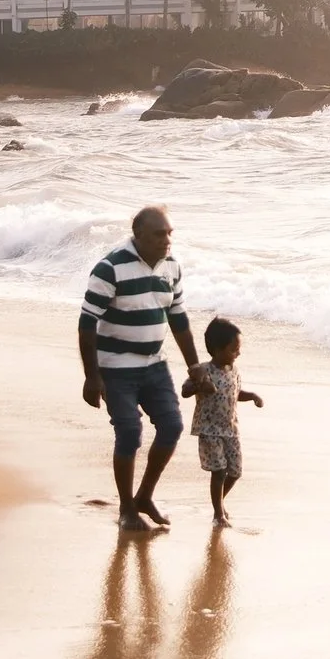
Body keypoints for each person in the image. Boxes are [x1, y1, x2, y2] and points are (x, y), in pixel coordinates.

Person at [79, 206, 201, 532]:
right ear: (139, 235)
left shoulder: (172, 267)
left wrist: (195, 367)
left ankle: (144, 496)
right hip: (115, 368)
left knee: (172, 427)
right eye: (160, 234)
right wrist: (92, 376)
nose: (168, 240)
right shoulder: (110, 269)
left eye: (170, 233)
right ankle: (126, 509)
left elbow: (178, 319)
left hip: (155, 366)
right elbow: (87, 323)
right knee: (130, 433)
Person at [182, 317, 264, 525]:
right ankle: (218, 513)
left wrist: (252, 395)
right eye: (233, 349)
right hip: (210, 429)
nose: (238, 353)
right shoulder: (203, 370)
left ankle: (218, 503)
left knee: (235, 471)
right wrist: (199, 386)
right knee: (218, 471)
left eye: (238, 349)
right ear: (217, 349)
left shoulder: (234, 371)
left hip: (231, 429)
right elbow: (185, 391)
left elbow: (235, 393)